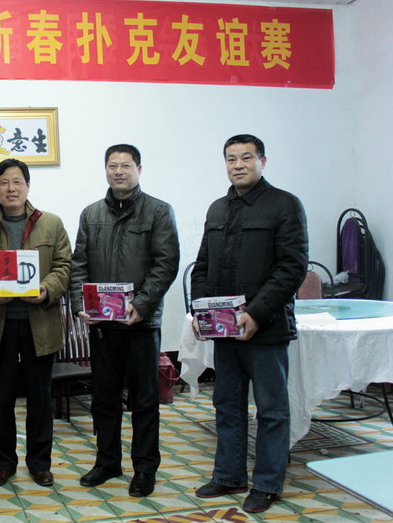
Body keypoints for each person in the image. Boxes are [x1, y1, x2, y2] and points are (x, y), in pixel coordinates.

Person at [191, 134, 308, 513]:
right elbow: (202, 266)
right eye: (231, 159)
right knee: (227, 405)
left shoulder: (284, 205)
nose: (238, 165)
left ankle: (268, 483)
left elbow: (292, 268)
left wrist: (256, 314)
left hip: (266, 328)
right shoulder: (217, 209)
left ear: (262, 161)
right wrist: (199, 311)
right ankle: (228, 475)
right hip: (223, 329)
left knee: (271, 410)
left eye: (246, 158)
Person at [70, 144, 179, 497]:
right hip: (103, 327)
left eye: (126, 165)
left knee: (144, 400)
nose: (119, 171)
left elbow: (166, 264)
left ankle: (145, 468)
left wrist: (142, 305)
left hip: (141, 324)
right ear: (105, 170)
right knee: (104, 398)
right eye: (113, 165)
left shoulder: (158, 211)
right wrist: (80, 305)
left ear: (139, 170)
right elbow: (78, 265)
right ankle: (107, 462)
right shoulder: (91, 214)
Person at [0, 158, 71, 488]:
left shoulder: (51, 224)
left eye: (17, 182)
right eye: (3, 182)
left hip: (39, 324)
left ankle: (40, 463)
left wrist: (47, 289)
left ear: (28, 186)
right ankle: (2, 464)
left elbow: (65, 266)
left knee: (40, 397)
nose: (10, 189)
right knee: (0, 398)